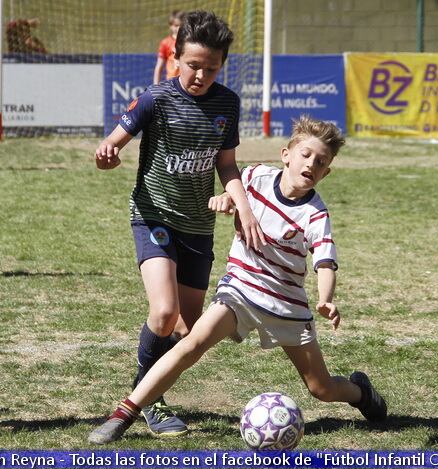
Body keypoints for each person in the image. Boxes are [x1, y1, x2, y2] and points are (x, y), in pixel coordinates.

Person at [88, 116, 388, 445]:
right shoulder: (256, 176)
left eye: (321, 161)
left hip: (286, 307)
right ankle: (124, 414)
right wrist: (224, 200)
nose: (311, 164)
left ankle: (360, 392)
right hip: (239, 292)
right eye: (305, 155)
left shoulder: (315, 214)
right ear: (285, 154)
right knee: (191, 345)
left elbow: (326, 262)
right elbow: (233, 195)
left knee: (322, 389)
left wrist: (326, 298)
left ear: (326, 172)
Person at [94, 10, 266, 438]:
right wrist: (108, 152)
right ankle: (143, 402)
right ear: (175, 57)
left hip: (198, 226)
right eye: (193, 66)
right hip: (153, 214)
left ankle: (145, 389)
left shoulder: (227, 103)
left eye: (211, 68)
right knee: (165, 312)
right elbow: (114, 141)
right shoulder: (156, 98)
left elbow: (227, 165)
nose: (201, 75)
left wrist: (243, 208)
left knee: (188, 327)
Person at [153, 10, 183, 84]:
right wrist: (155, 86)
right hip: (171, 82)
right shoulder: (165, 42)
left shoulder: (189, 42)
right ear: (171, 26)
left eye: (181, 25)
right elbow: (159, 67)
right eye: (176, 25)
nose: (178, 28)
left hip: (186, 82)